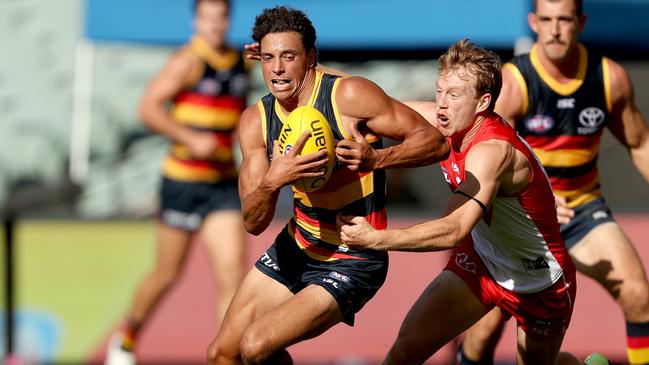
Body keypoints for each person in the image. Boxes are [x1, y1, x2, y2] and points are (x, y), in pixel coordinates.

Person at [205, 6, 449, 364]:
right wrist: (274, 181)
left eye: (288, 56)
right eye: (269, 58)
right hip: (299, 244)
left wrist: (376, 159)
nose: (277, 69)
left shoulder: (348, 97)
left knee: (256, 345)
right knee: (221, 354)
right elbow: (253, 223)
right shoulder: (254, 122)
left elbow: (434, 142)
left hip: (354, 255)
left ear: (310, 59)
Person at [340, 38, 603, 365]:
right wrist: (306, 70)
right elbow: (373, 103)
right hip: (482, 263)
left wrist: (378, 239)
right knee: (405, 350)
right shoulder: (443, 121)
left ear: (483, 102)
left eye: (453, 95)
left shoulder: (494, 152)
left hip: (540, 281)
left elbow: (453, 230)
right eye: (439, 91)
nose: (441, 104)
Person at [457, 0, 649, 363]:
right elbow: (489, 159)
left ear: (581, 22)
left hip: (581, 210)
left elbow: (640, 143)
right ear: (534, 22)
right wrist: (536, 200)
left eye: (564, 19)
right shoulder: (514, 83)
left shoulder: (608, 78)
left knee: (639, 295)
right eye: (547, 20)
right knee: (484, 330)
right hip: (524, 220)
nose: (556, 29)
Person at [104, 1, 248, 364]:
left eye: (221, 17)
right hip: (183, 183)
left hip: (222, 185)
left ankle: (226, 355)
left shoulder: (241, 60)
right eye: (208, 17)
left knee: (233, 276)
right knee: (167, 274)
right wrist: (188, 135)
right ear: (196, 21)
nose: (215, 24)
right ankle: (126, 338)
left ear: (228, 20)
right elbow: (148, 107)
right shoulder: (187, 61)